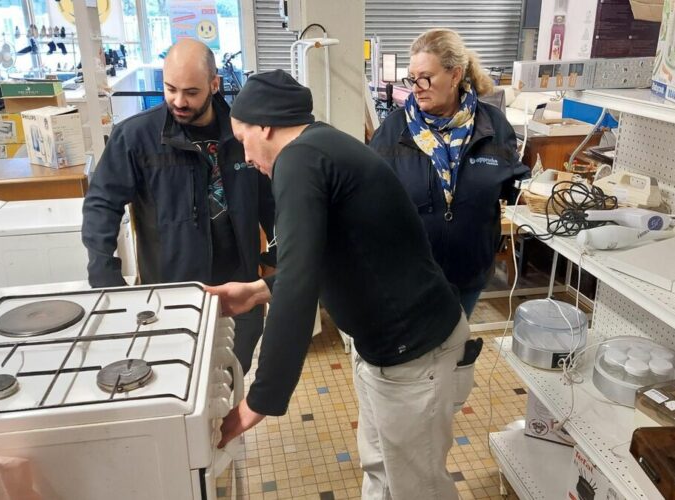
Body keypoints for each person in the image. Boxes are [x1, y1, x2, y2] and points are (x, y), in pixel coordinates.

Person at [206, 69, 472, 500]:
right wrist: (256, 291)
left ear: (266, 124)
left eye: (243, 139)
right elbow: (324, 255)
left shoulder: (299, 160)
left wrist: (257, 401)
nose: (247, 158)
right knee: (382, 470)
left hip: (415, 356)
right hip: (387, 352)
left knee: (417, 488)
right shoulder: (321, 145)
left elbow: (296, 281)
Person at [82, 39, 274, 374]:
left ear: (214, 85)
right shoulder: (136, 137)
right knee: (177, 379)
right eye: (170, 88)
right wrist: (104, 275)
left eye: (191, 92)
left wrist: (274, 257)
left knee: (230, 377)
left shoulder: (241, 133)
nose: (178, 101)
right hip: (170, 293)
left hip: (238, 287)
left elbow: (271, 198)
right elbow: (101, 203)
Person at [369, 29, 530, 318]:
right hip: (409, 276)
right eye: (412, 78)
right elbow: (371, 196)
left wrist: (532, 193)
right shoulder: (394, 130)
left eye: (425, 77)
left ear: (455, 76)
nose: (416, 87)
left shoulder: (493, 126)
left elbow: (509, 185)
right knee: (415, 357)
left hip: (468, 272)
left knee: (454, 351)